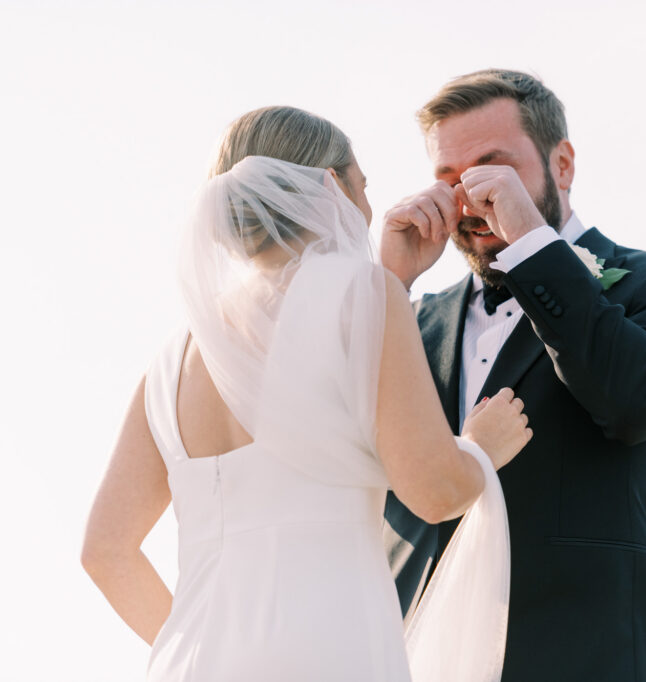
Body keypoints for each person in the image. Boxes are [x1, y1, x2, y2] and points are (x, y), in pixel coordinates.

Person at [81, 106, 531, 681]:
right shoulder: (364, 296)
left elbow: (104, 550)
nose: (368, 210)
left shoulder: (177, 356)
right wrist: (477, 448)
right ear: (330, 187)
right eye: (362, 187)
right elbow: (435, 492)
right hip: (332, 649)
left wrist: (198, 645)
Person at [380, 69, 646, 681]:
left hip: (599, 656)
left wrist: (533, 246)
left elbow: (635, 403)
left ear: (561, 164)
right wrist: (389, 285)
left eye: (491, 168)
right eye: (448, 178)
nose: (469, 195)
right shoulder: (411, 321)